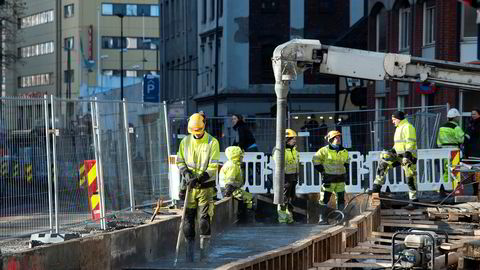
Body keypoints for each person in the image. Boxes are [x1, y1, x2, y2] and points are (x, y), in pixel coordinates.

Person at [176, 112, 220, 262]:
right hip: (189, 187)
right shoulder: (185, 142)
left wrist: (200, 178)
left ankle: (204, 256)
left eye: (199, 131)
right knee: (188, 222)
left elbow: (213, 166)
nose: (196, 134)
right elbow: (180, 161)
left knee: (203, 222)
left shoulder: (212, 142)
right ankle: (189, 257)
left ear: (204, 127)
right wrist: (186, 174)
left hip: (205, 188)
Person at [370, 111, 418, 210]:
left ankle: (413, 201)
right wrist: (392, 150)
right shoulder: (399, 128)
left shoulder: (408, 127)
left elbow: (411, 142)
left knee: (410, 178)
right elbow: (398, 144)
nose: (393, 122)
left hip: (408, 157)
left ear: (398, 119)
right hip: (398, 156)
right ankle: (376, 189)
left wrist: (407, 155)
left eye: (394, 120)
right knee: (383, 163)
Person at [312, 130, 349, 225]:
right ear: (331, 139)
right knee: (324, 199)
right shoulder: (324, 150)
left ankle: (340, 218)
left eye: (339, 137)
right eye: (336, 137)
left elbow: (346, 164)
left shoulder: (344, 151)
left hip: (340, 179)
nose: (338, 139)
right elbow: (315, 161)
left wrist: (346, 175)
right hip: (329, 179)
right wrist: (323, 171)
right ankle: (322, 219)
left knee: (341, 198)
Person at [220, 146, 254, 221]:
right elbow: (230, 181)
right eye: (241, 156)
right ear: (236, 157)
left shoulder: (232, 164)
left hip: (230, 189)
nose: (242, 158)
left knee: (247, 198)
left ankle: (242, 216)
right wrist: (227, 193)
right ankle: (245, 218)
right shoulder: (233, 166)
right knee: (249, 198)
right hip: (230, 189)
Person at [273, 129, 299, 224]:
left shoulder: (293, 150)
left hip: (292, 177)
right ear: (286, 139)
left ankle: (289, 219)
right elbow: (279, 165)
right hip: (284, 178)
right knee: (283, 199)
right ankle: (283, 219)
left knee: (289, 199)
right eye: (293, 139)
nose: (295, 140)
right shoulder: (280, 151)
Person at [436, 108, 465, 190]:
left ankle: (443, 187)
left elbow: (438, 141)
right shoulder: (456, 127)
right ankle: (455, 188)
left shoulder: (442, 127)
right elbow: (461, 140)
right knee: (455, 169)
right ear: (455, 117)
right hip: (454, 150)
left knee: (446, 169)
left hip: (443, 151)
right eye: (458, 117)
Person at [465, 108, 480, 195]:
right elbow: (466, 139)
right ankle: (475, 191)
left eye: (475, 114)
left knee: (476, 172)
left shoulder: (474, 126)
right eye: (472, 114)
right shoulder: (470, 124)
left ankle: (476, 192)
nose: (473, 115)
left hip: (476, 152)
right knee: (474, 173)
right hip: (472, 153)